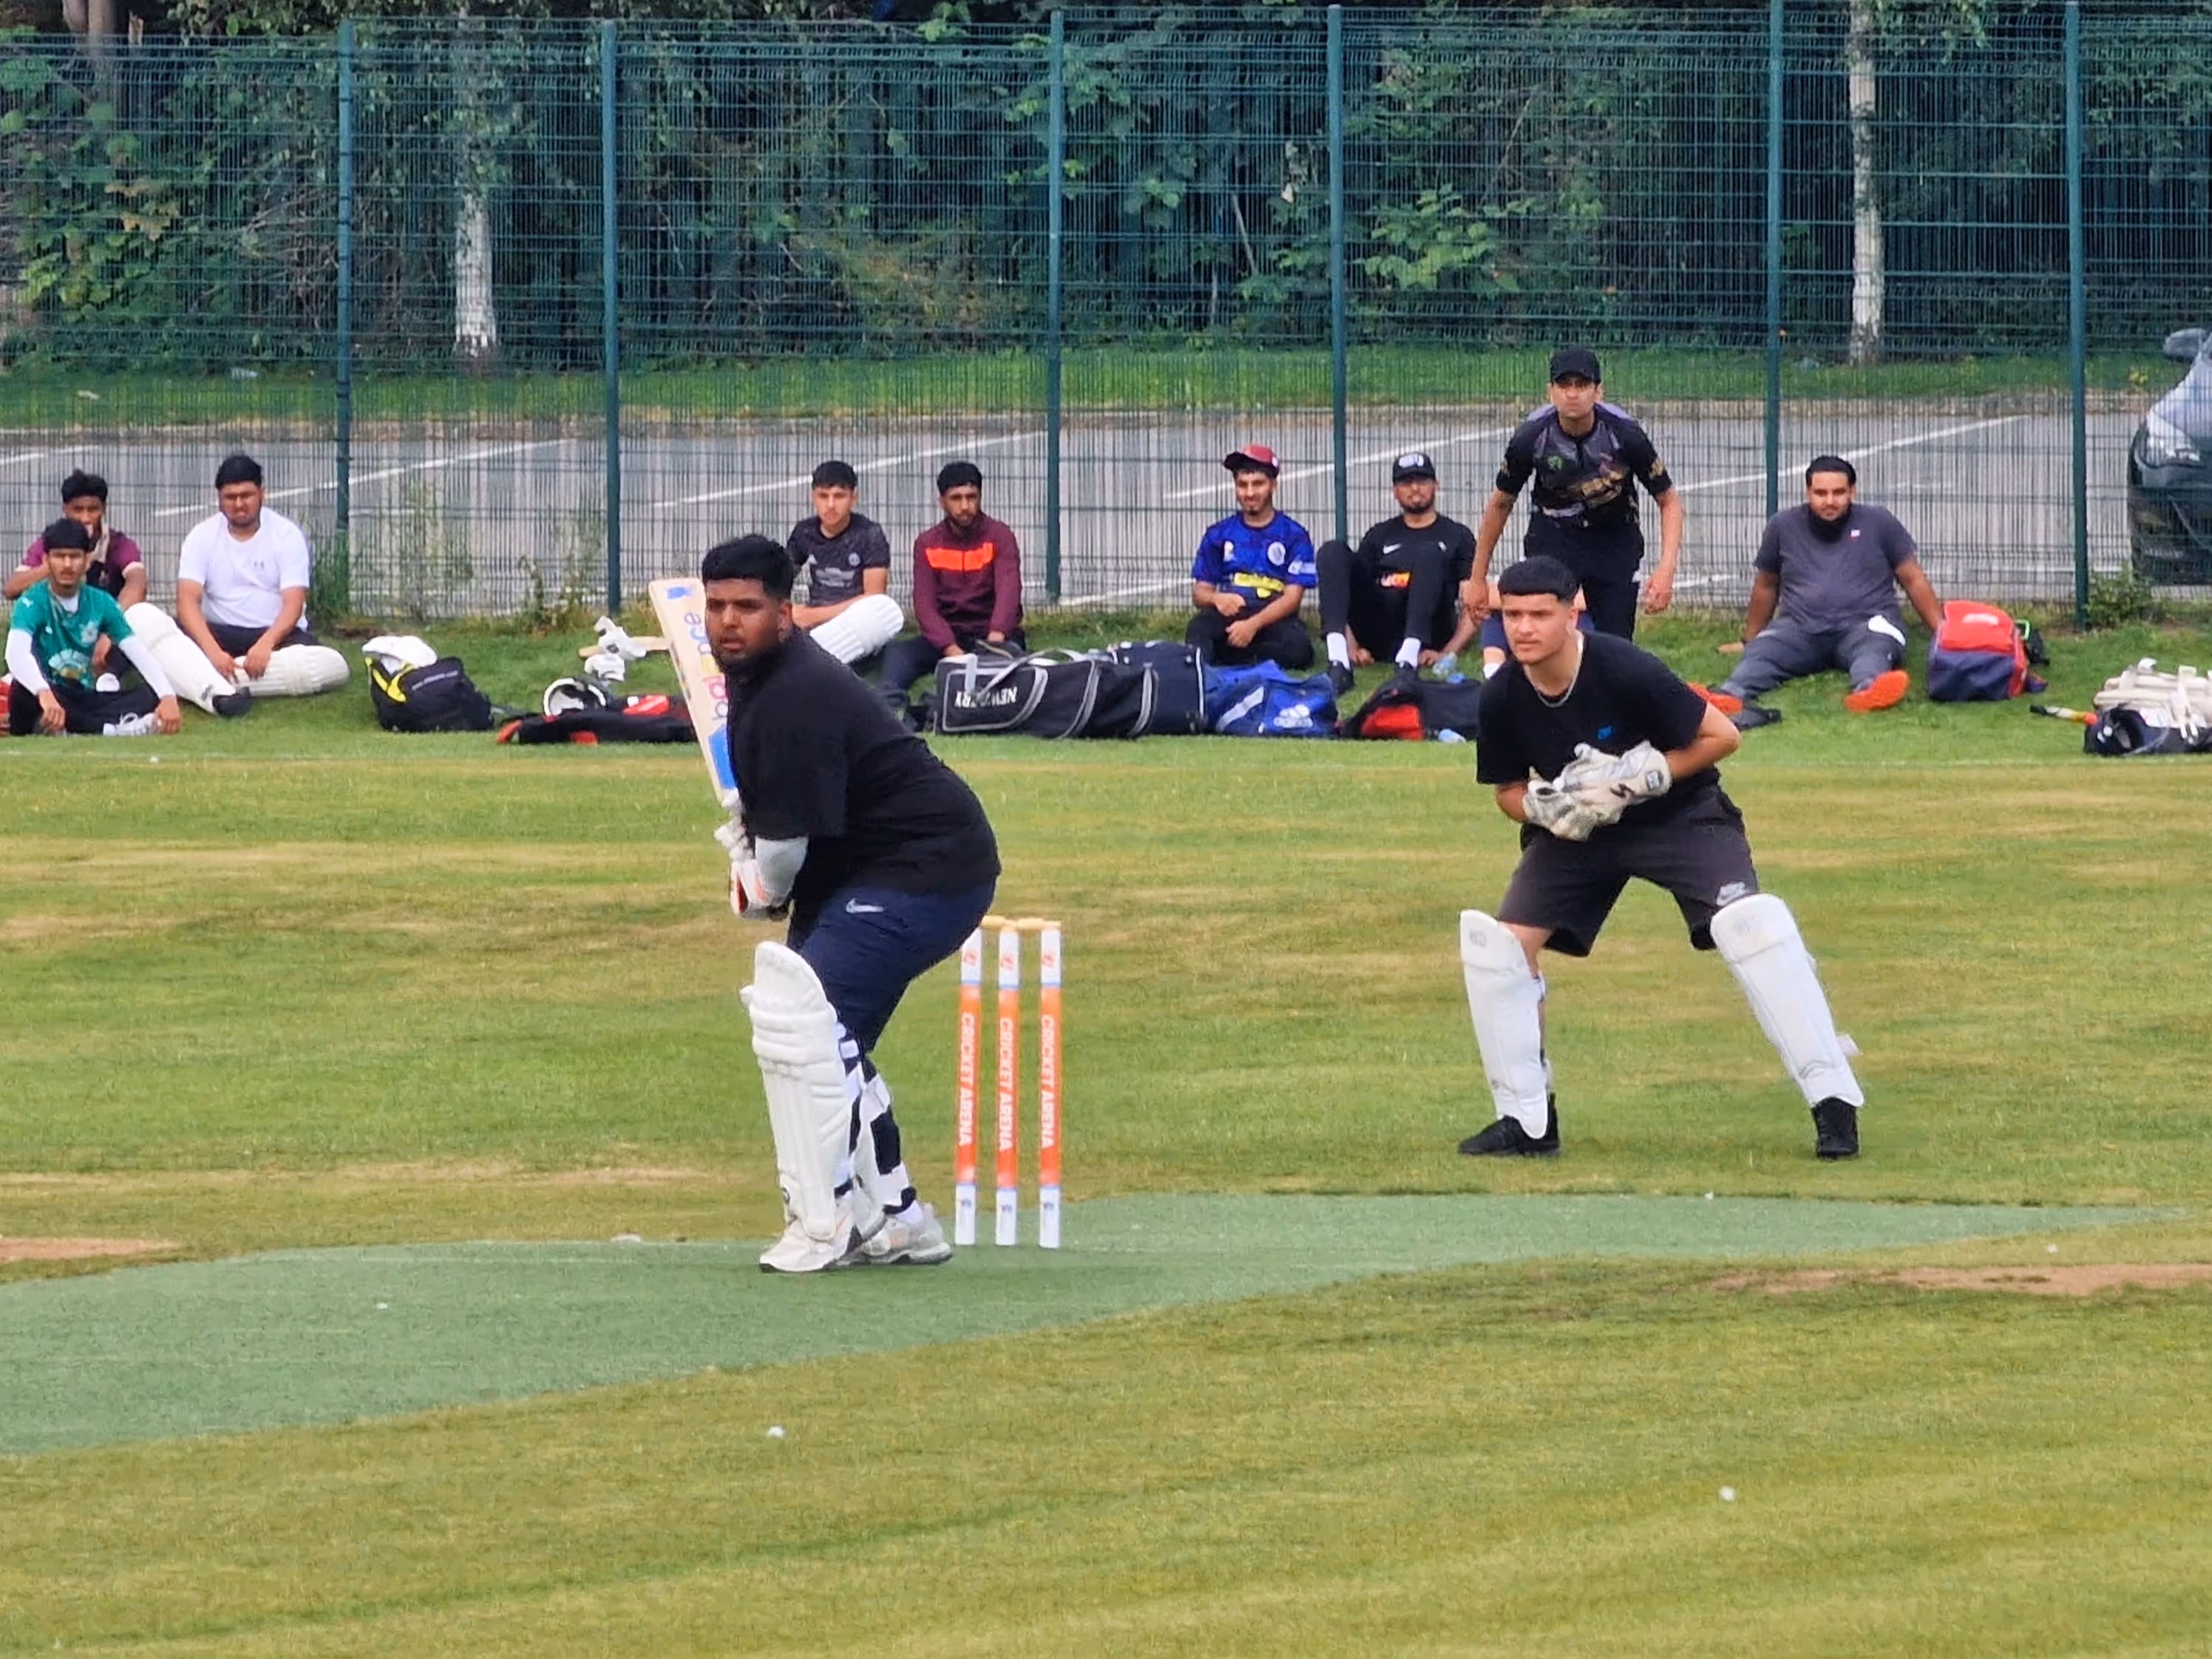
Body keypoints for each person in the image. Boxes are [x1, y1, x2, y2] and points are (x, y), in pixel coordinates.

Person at [1458, 554, 1865, 1162]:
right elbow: (1507, 793)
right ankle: (1528, 1121)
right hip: (1582, 832)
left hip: (1680, 815)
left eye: (1539, 614)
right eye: (1512, 614)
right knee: (1501, 947)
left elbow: (1723, 736)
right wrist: (1545, 808)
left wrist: (1640, 778)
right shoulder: (1502, 697)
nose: (1523, 628)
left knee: (1751, 926)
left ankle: (1834, 1100)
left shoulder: (1623, 666)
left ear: (1574, 614)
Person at [705, 534, 1000, 1273]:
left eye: (747, 607)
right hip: (856, 869)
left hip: (926, 866)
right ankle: (900, 1219)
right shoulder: (758, 680)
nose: (728, 622)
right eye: (715, 607)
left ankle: (825, 1220)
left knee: (809, 1026)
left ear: (784, 611)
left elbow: (782, 858)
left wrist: (757, 890)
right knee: (820, 1034)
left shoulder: (794, 697)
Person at [1701, 455, 1944, 728]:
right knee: (1762, 654)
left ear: (1853, 491)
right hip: (1799, 628)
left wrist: (1943, 633)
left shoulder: (1880, 522)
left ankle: (1869, 690)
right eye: (1821, 493)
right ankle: (1728, 695)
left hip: (1868, 626)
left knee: (1873, 654)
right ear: (1808, 493)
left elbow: (1913, 580)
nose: (1829, 501)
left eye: (1839, 492)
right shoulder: (1783, 525)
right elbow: (1766, 585)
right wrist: (1750, 640)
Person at [1468, 347, 1683, 640]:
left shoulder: (1625, 435)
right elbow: (1501, 503)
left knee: (1615, 645)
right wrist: (1478, 578)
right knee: (1546, 633)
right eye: (1564, 385)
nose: (1572, 393)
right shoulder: (1531, 437)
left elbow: (1668, 500)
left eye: (1581, 385)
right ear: (1550, 392)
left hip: (1614, 540)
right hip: (1553, 537)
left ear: (1598, 392)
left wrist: (1666, 569)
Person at [125, 452, 349, 716]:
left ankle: (206, 683)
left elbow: (294, 603)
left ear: (262, 494)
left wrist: (266, 645)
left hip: (278, 637)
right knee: (140, 618)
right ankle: (219, 686)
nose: (239, 504)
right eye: (230, 497)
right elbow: (187, 602)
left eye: (247, 495)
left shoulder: (287, 535)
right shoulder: (201, 536)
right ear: (219, 498)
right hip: (217, 633)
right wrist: (212, 651)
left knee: (329, 665)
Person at [1314, 450, 1478, 695]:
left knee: (1430, 552)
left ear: (1436, 485)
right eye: (1406, 482)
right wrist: (1353, 645)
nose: (1415, 488)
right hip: (1379, 629)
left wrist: (1447, 652)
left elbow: (1474, 603)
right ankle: (1339, 661)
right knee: (1331, 551)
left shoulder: (1457, 536)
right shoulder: (1379, 535)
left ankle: (1407, 664)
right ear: (1394, 491)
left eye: (1422, 481)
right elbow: (1349, 591)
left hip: (1428, 633)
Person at [6, 518, 182, 738]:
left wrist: (167, 696)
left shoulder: (102, 602)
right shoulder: (32, 601)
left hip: (83, 696)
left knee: (149, 695)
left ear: (88, 560)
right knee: (22, 691)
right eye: (60, 557)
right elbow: (15, 654)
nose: (68, 564)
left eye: (75, 556)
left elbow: (137, 651)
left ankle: (68, 729)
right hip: (47, 694)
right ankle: (113, 730)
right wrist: (44, 693)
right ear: (46, 560)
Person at [876, 461, 1025, 708]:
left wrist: (995, 640)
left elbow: (1009, 593)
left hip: (991, 636)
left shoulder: (1000, 536)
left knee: (1004, 663)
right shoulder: (927, 543)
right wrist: (950, 649)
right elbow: (924, 605)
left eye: (971, 497)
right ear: (942, 502)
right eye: (956, 498)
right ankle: (888, 704)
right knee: (898, 655)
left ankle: (947, 703)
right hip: (946, 636)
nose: (965, 506)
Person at [1187, 444, 1317, 670]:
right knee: (1198, 630)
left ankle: (1230, 657)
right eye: (1242, 485)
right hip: (1230, 612)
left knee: (1299, 650)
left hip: (1273, 617)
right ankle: (1229, 662)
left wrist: (1253, 625)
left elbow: (1292, 598)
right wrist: (1217, 599)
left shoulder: (1294, 535)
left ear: (1273, 486)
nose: (1249, 493)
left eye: (1258, 484)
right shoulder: (1218, 533)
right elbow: (1200, 592)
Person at [9, 473, 149, 654]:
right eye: (78, 510)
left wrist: (112, 629)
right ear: (65, 509)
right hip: (59, 633)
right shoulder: (51, 543)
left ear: (104, 509)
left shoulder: (118, 543)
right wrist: (52, 565)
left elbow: (137, 584)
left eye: (93, 510)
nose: (85, 518)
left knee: (147, 618)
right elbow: (11, 588)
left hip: (105, 633)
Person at [785, 459, 904, 668]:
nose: (831, 505)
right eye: (823, 496)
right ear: (813, 497)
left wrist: (812, 615)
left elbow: (874, 599)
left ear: (853, 498)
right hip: (815, 623)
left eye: (839, 496)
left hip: (857, 622)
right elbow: (780, 579)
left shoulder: (869, 534)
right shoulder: (805, 532)